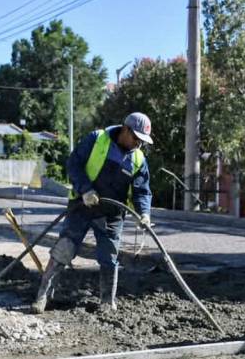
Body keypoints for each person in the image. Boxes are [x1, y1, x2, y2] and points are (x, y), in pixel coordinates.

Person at [31, 112, 154, 313]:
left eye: (142, 141)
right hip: (82, 206)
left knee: (109, 257)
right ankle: (43, 296)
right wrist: (85, 189)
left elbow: (142, 190)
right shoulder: (97, 139)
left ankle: (107, 302)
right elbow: (74, 164)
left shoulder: (138, 159)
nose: (138, 144)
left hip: (111, 214)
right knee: (64, 248)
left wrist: (144, 213)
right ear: (125, 129)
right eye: (136, 138)